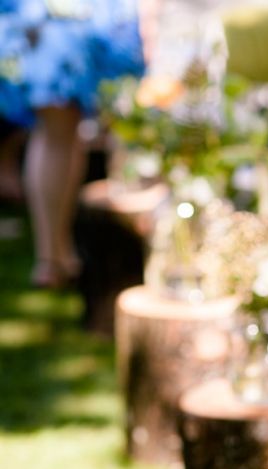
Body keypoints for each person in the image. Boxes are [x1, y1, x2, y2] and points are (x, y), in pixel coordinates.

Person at [0, 0, 158, 289]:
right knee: (71, 132)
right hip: (79, 20)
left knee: (59, 135)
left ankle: (56, 255)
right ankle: (57, 257)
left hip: (48, 18)